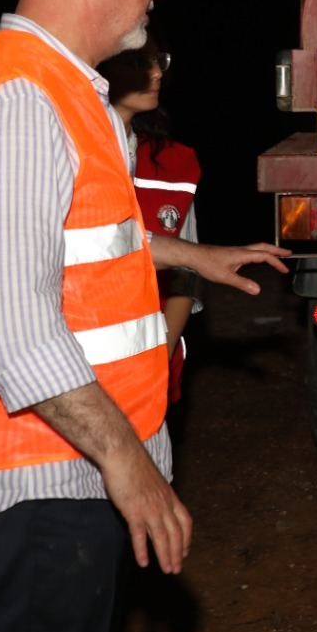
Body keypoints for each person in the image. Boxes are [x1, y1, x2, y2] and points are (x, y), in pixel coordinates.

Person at [0, 0, 289, 632]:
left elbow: (64, 245)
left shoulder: (61, 91)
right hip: (31, 486)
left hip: (42, 480)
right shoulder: (18, 101)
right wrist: (128, 462)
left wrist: (187, 253)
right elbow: (15, 331)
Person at [98, 36, 201, 404]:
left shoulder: (174, 165)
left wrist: (160, 354)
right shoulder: (65, 151)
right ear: (98, 71)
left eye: (159, 60)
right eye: (139, 63)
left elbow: (188, 272)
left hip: (150, 360)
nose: (158, 72)